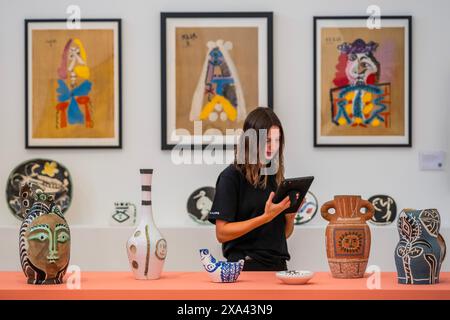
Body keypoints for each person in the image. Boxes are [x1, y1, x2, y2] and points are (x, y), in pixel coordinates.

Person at [208, 107, 298, 271]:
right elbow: (221, 234)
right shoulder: (231, 177)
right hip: (245, 268)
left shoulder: (274, 177)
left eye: (277, 140)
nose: (272, 146)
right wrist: (265, 217)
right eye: (267, 140)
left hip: (278, 268)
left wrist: (289, 218)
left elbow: (282, 235)